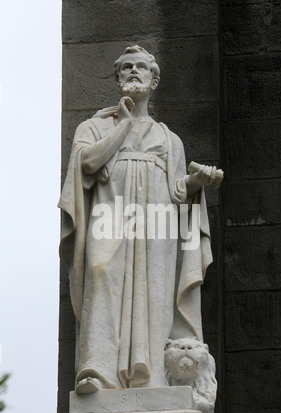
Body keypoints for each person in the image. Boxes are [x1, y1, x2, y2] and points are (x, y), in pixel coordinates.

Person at [58, 45, 214, 394]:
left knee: (154, 293)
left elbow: (177, 191)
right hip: (108, 216)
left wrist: (196, 183)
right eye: (126, 67)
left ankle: (151, 379)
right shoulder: (94, 126)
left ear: (153, 80)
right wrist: (124, 125)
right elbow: (87, 164)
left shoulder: (169, 139)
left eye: (140, 68)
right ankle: (96, 371)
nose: (133, 72)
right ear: (117, 78)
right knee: (99, 272)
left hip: (157, 223)